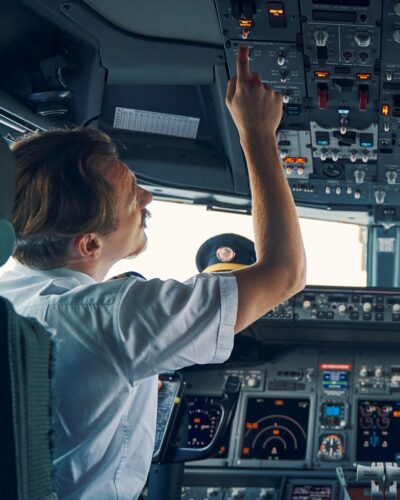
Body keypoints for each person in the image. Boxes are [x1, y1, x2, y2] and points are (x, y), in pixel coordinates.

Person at [0, 45, 305, 499]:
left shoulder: (12, 299)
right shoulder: (108, 316)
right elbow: (284, 274)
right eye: (132, 197)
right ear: (90, 244)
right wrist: (257, 134)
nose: (148, 199)